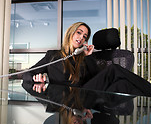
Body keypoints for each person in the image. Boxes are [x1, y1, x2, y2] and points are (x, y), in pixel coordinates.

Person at [23, 21, 151, 97]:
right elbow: (27, 74)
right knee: (113, 69)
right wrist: (36, 80)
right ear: (70, 33)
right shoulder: (52, 56)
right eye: (79, 32)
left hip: (85, 95)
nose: (81, 38)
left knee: (122, 84)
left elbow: (98, 78)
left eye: (85, 36)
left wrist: (88, 57)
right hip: (65, 99)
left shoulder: (84, 58)